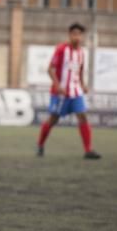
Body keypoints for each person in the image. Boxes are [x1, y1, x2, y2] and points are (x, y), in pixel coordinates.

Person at [36, 22, 101, 159]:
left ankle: (88, 150)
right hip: (61, 93)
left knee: (83, 116)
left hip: (76, 92)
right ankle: (40, 144)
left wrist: (83, 85)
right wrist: (58, 85)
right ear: (70, 35)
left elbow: (80, 70)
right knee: (53, 119)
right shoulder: (61, 49)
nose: (77, 37)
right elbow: (50, 69)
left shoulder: (81, 52)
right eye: (74, 34)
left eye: (79, 34)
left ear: (82, 37)